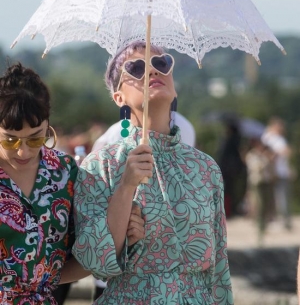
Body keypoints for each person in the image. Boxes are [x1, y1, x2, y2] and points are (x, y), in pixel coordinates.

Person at [72, 41, 233, 304]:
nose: (152, 72)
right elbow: (95, 263)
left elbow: (219, 270)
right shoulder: (99, 167)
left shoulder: (206, 169)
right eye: (136, 68)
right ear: (118, 97)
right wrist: (125, 187)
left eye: (161, 63)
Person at [0, 62, 144, 305]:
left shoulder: (65, 172)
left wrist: (126, 231)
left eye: (35, 139)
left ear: (48, 126)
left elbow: (91, 251)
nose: (23, 152)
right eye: (10, 141)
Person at [92, 112, 196, 300]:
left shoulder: (113, 132)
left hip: (162, 270)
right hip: (132, 269)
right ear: (118, 96)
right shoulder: (114, 135)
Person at [261, 117, 293, 230]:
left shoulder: (268, 138)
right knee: (279, 198)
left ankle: (278, 220)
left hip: (274, 172)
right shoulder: (276, 139)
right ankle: (283, 221)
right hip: (276, 172)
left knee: (277, 198)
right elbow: (286, 151)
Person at [245, 138, 275, 245]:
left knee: (267, 205)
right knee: (260, 205)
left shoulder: (264, 155)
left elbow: (271, 170)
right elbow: (256, 168)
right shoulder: (252, 155)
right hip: (257, 183)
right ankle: (260, 229)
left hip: (266, 183)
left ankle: (264, 226)